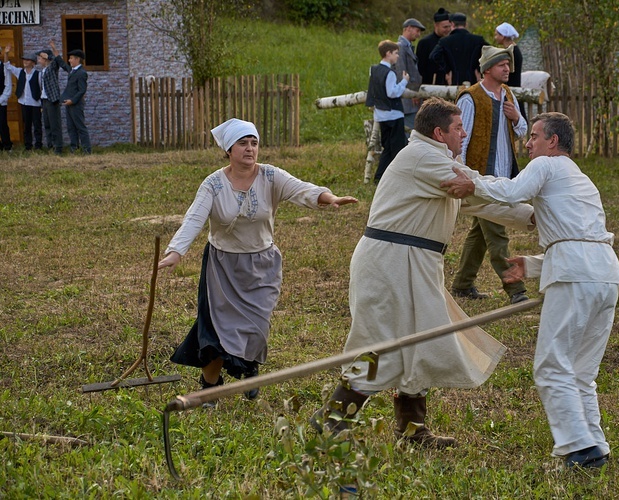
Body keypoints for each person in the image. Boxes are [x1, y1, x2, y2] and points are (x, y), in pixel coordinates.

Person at [310, 97, 535, 448]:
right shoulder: (423, 158)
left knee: (422, 342)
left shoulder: (438, 159)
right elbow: (475, 186)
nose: (464, 134)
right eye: (458, 128)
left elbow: (476, 199)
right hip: (391, 262)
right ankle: (331, 420)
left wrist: (529, 216)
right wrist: (529, 206)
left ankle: (413, 431)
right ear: (438, 132)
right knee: (382, 344)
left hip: (413, 261)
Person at [441, 112, 619, 468]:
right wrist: (535, 264)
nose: (528, 143)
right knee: (581, 372)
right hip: (604, 277)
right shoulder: (583, 181)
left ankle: (578, 449)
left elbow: (512, 193)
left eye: (535, 136)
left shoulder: (547, 166)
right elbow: (582, 237)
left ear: (553, 142)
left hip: (576, 276)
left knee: (552, 367)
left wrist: (472, 184)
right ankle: (595, 445)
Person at [158, 118, 357, 408]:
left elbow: (301, 189)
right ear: (229, 149)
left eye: (254, 143)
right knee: (213, 332)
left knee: (256, 328)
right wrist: (176, 251)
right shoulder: (213, 184)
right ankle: (210, 389)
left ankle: (249, 368)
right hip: (221, 268)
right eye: (243, 143)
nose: (250, 149)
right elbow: (194, 218)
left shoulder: (270, 177)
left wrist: (329, 197)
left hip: (262, 266)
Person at [450, 45, 528, 304]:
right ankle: (516, 290)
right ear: (487, 69)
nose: (507, 68)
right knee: (496, 233)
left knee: (480, 232)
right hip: (479, 178)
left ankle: (462, 284)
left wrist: (516, 117)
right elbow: (461, 138)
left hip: (503, 176)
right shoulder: (470, 98)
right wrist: (462, 172)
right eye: (502, 64)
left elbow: (522, 131)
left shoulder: (507, 94)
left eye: (508, 64)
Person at [365, 40, 409, 183]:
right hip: (393, 114)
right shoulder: (389, 72)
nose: (397, 56)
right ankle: (397, 177)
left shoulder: (374, 70)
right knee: (397, 147)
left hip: (381, 114)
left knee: (387, 148)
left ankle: (380, 176)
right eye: (395, 53)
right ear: (388, 53)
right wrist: (404, 82)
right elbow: (392, 92)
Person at [429, 12, 488, 86]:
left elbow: (434, 56)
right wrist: (479, 68)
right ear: (465, 24)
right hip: (473, 78)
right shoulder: (478, 40)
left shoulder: (445, 41)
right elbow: (490, 53)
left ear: (452, 24)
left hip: (454, 78)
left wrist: (447, 69)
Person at [3, 47, 42, 151]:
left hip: (35, 103)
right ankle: (28, 146)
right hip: (24, 102)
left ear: (33, 63)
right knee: (27, 126)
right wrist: (6, 53)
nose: (25, 61)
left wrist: (42, 103)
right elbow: (7, 65)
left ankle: (38, 146)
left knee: (37, 126)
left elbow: (41, 88)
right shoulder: (20, 72)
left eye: (27, 60)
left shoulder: (38, 74)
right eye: (24, 60)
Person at [394, 18, 425, 134]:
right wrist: (412, 92)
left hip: (412, 96)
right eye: (417, 30)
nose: (418, 34)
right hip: (408, 98)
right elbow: (401, 71)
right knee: (410, 130)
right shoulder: (400, 47)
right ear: (408, 29)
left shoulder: (407, 47)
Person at [60, 49, 91, 154]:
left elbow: (82, 90)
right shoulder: (73, 71)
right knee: (71, 127)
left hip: (76, 104)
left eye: (71, 58)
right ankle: (74, 148)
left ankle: (86, 150)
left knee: (80, 127)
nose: (69, 60)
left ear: (78, 59)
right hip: (68, 103)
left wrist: (72, 101)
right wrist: (55, 51)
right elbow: (63, 65)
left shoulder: (82, 73)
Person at [37, 41, 65, 155]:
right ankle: (50, 146)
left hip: (52, 99)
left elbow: (56, 61)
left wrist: (52, 52)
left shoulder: (52, 68)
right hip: (44, 100)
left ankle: (58, 148)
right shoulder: (42, 71)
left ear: (45, 58)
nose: (38, 60)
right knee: (47, 124)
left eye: (40, 58)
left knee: (55, 125)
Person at [493, 22, 526, 122]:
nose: (495, 37)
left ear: (503, 36)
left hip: (512, 89)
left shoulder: (512, 52)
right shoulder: (511, 50)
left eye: (497, 34)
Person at [416, 8, 452, 86]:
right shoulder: (425, 43)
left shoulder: (452, 41)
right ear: (436, 25)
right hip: (430, 84)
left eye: (450, 27)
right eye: (445, 27)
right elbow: (420, 68)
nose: (448, 30)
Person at [0, 52, 12, 151]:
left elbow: (8, 84)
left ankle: (7, 146)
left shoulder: (4, 67)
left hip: (1, 100)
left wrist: (2, 98)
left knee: (2, 123)